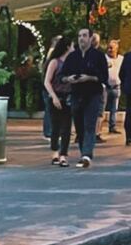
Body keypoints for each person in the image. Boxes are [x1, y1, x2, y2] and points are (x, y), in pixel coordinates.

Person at [60, 27, 108, 169]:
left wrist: (89, 78)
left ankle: (87, 155)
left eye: (84, 35)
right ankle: (84, 153)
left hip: (93, 94)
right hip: (76, 94)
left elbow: (104, 77)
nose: (81, 38)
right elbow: (61, 76)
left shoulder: (98, 56)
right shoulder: (72, 57)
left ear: (90, 38)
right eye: (80, 36)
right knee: (79, 126)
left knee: (89, 125)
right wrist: (68, 79)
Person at [43, 33, 74, 167]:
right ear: (67, 47)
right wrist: (54, 97)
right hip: (56, 96)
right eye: (72, 46)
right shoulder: (55, 62)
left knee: (67, 128)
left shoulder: (72, 63)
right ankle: (55, 152)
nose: (74, 48)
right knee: (55, 126)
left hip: (68, 97)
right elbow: (47, 81)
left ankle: (63, 155)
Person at [104, 38, 122, 135]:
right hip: (105, 87)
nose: (109, 50)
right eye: (108, 48)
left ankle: (112, 126)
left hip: (116, 86)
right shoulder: (104, 58)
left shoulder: (121, 59)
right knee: (101, 109)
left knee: (114, 109)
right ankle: (97, 129)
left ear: (116, 49)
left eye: (111, 48)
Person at [120, 48, 131, 146]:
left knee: (129, 113)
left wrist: (125, 85)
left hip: (129, 89)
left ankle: (129, 137)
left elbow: (121, 73)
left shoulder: (127, 56)